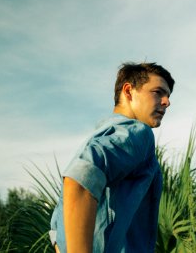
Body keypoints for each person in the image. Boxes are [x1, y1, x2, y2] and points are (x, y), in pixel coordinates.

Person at [49, 62, 175, 253]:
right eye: (158, 92)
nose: (167, 102)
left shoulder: (98, 137)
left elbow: (57, 232)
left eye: (168, 96)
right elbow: (79, 180)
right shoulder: (139, 133)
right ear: (128, 91)